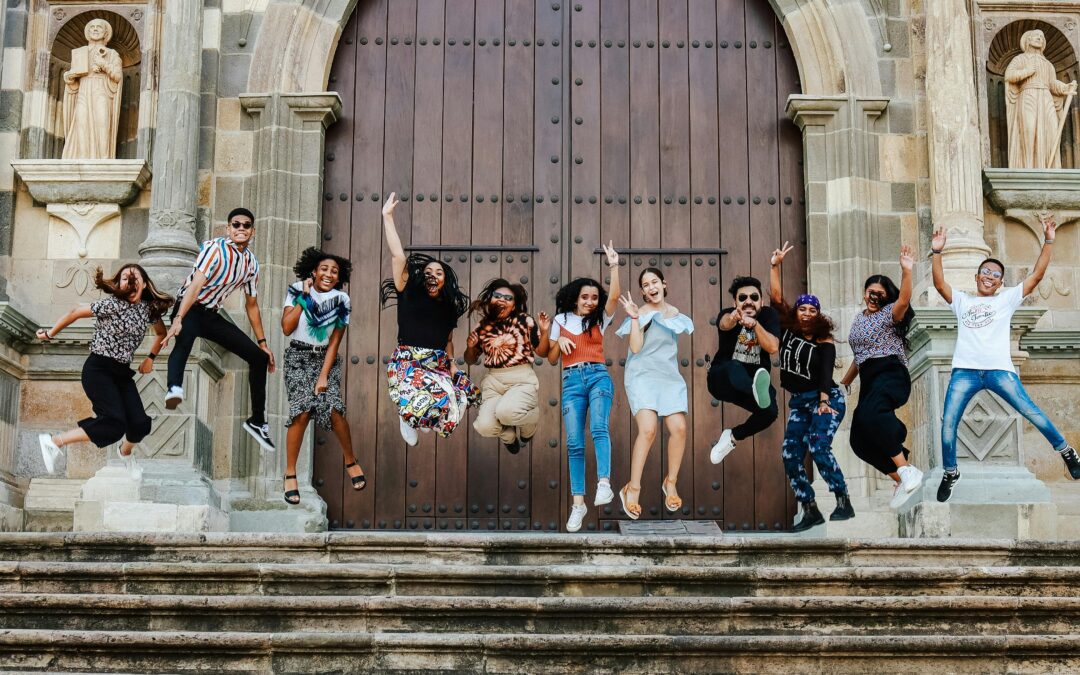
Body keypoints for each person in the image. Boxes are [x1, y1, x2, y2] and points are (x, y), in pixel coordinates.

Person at [931, 215, 1079, 503]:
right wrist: (937, 252)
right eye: (985, 271)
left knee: (1032, 412)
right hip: (966, 372)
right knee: (948, 422)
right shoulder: (963, 301)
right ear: (977, 277)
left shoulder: (1006, 300)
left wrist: (1048, 240)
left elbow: (1035, 276)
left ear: (1000, 283)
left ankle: (1066, 452)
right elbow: (939, 285)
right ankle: (951, 472)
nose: (989, 276)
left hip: (999, 370)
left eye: (996, 274)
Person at [37, 265, 172, 476]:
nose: (131, 283)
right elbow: (75, 313)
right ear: (119, 284)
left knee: (140, 424)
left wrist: (150, 358)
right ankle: (54, 442)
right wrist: (50, 333)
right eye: (126, 278)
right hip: (98, 369)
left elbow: (161, 333)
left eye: (136, 278)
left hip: (121, 374)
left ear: (145, 284)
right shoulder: (111, 304)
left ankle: (125, 453)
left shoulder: (148, 309)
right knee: (114, 423)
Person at [161, 207, 277, 452]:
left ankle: (257, 421)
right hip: (190, 307)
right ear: (228, 228)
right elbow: (195, 286)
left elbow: (252, 306)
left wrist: (263, 343)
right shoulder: (215, 249)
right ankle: (174, 388)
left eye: (246, 225)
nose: (241, 229)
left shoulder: (251, 264)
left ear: (253, 231)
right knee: (183, 341)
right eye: (236, 225)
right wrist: (179, 318)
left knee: (257, 358)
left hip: (211, 315)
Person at [380, 193, 479, 444]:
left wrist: (453, 364)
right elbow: (398, 257)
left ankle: (419, 415)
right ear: (420, 277)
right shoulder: (408, 292)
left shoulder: (448, 308)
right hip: (408, 360)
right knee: (419, 404)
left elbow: (447, 340)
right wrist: (387, 218)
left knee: (456, 401)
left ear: (445, 280)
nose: (434, 274)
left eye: (439, 272)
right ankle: (408, 415)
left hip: (436, 361)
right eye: (428, 271)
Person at [770, 241, 853, 531]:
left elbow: (826, 370)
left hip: (826, 398)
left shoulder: (823, 340)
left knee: (818, 446)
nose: (806, 312)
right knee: (790, 454)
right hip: (800, 402)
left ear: (818, 315)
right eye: (802, 308)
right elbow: (777, 296)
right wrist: (775, 266)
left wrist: (822, 399)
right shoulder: (787, 330)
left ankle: (842, 498)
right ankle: (809, 508)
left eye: (811, 309)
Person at [280, 247, 365, 505]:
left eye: (334, 271)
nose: (329, 274)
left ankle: (350, 459)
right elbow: (286, 328)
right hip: (297, 357)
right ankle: (290, 472)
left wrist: (323, 376)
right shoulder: (296, 290)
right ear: (314, 272)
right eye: (324, 269)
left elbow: (335, 341)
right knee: (302, 411)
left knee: (334, 409)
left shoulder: (342, 300)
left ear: (339, 278)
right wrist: (304, 298)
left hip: (324, 359)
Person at [841, 247, 923, 509]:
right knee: (859, 439)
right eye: (870, 292)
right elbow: (860, 355)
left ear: (885, 297)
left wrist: (906, 271)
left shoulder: (889, 314)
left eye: (880, 294)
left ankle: (907, 468)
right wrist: (844, 382)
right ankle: (899, 478)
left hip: (890, 372)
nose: (874, 296)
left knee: (872, 416)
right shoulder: (858, 319)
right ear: (864, 293)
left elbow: (903, 302)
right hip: (869, 377)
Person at [547, 243, 621, 532]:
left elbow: (614, 296)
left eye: (594, 297)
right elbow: (552, 357)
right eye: (585, 297)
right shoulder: (561, 320)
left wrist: (614, 266)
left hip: (598, 376)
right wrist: (560, 343)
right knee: (575, 443)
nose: (590, 301)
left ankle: (604, 483)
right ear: (575, 298)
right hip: (571, 380)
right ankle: (579, 503)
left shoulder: (600, 319)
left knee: (599, 429)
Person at [614, 268, 694, 520]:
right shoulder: (642, 314)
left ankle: (670, 482)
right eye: (645, 285)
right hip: (642, 376)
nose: (651, 287)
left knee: (679, 428)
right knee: (648, 430)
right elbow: (636, 348)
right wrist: (635, 318)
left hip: (668, 377)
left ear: (664, 284)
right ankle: (632, 488)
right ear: (642, 292)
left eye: (654, 282)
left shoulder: (676, 315)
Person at [464, 279, 551, 454]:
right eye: (497, 296)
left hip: (521, 379)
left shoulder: (524, 320)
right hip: (494, 381)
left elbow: (542, 352)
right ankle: (508, 436)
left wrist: (544, 332)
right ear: (490, 299)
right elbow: (470, 360)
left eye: (508, 298)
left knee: (506, 413)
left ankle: (530, 424)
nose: (502, 300)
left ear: (514, 305)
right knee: (484, 426)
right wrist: (471, 347)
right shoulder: (481, 327)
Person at [706, 275, 781, 465]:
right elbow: (724, 323)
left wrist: (755, 325)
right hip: (721, 380)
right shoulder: (729, 313)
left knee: (770, 412)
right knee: (734, 366)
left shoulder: (768, 316)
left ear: (761, 302)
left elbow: (772, 347)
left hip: (750, 382)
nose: (748, 301)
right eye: (742, 298)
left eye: (754, 297)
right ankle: (754, 388)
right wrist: (733, 318)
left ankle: (731, 438)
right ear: (735, 302)